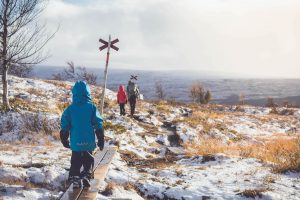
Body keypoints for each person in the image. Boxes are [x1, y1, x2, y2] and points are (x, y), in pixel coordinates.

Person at [60, 80, 104, 189]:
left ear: (74, 93)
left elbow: (65, 125)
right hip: (89, 142)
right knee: (88, 159)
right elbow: (98, 124)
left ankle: (75, 177)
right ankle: (86, 175)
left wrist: (64, 138)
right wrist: (101, 138)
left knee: (75, 160)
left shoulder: (70, 109)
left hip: (76, 142)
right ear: (88, 93)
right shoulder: (92, 108)